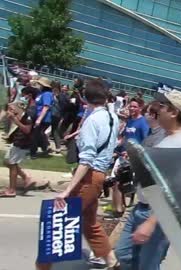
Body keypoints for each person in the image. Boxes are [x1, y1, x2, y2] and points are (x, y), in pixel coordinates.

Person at [36, 78, 120, 270]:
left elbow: (86, 160)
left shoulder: (92, 120)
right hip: (100, 175)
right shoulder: (112, 116)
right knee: (89, 224)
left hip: (89, 176)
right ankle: (113, 263)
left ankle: (43, 266)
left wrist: (67, 190)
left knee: (62, 220)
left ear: (84, 98)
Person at [115, 89, 181, 270]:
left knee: (148, 265)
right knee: (124, 254)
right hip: (141, 207)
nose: (156, 110)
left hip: (157, 216)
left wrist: (151, 223)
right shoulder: (166, 137)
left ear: (174, 112)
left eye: (162, 107)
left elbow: (177, 192)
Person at [0, 88, 37, 197]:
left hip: (23, 140)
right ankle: (26, 178)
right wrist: (16, 115)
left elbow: (27, 129)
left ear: (29, 95)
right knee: (7, 161)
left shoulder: (32, 110)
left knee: (12, 164)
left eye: (24, 95)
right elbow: (24, 121)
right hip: (19, 138)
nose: (22, 98)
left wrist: (14, 119)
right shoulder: (29, 108)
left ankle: (12, 190)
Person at [30, 77, 53, 159]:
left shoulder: (47, 94)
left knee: (35, 135)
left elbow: (46, 107)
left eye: (39, 84)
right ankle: (45, 148)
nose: (38, 85)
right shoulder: (41, 93)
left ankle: (33, 153)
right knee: (38, 134)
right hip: (39, 116)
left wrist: (39, 119)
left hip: (44, 118)